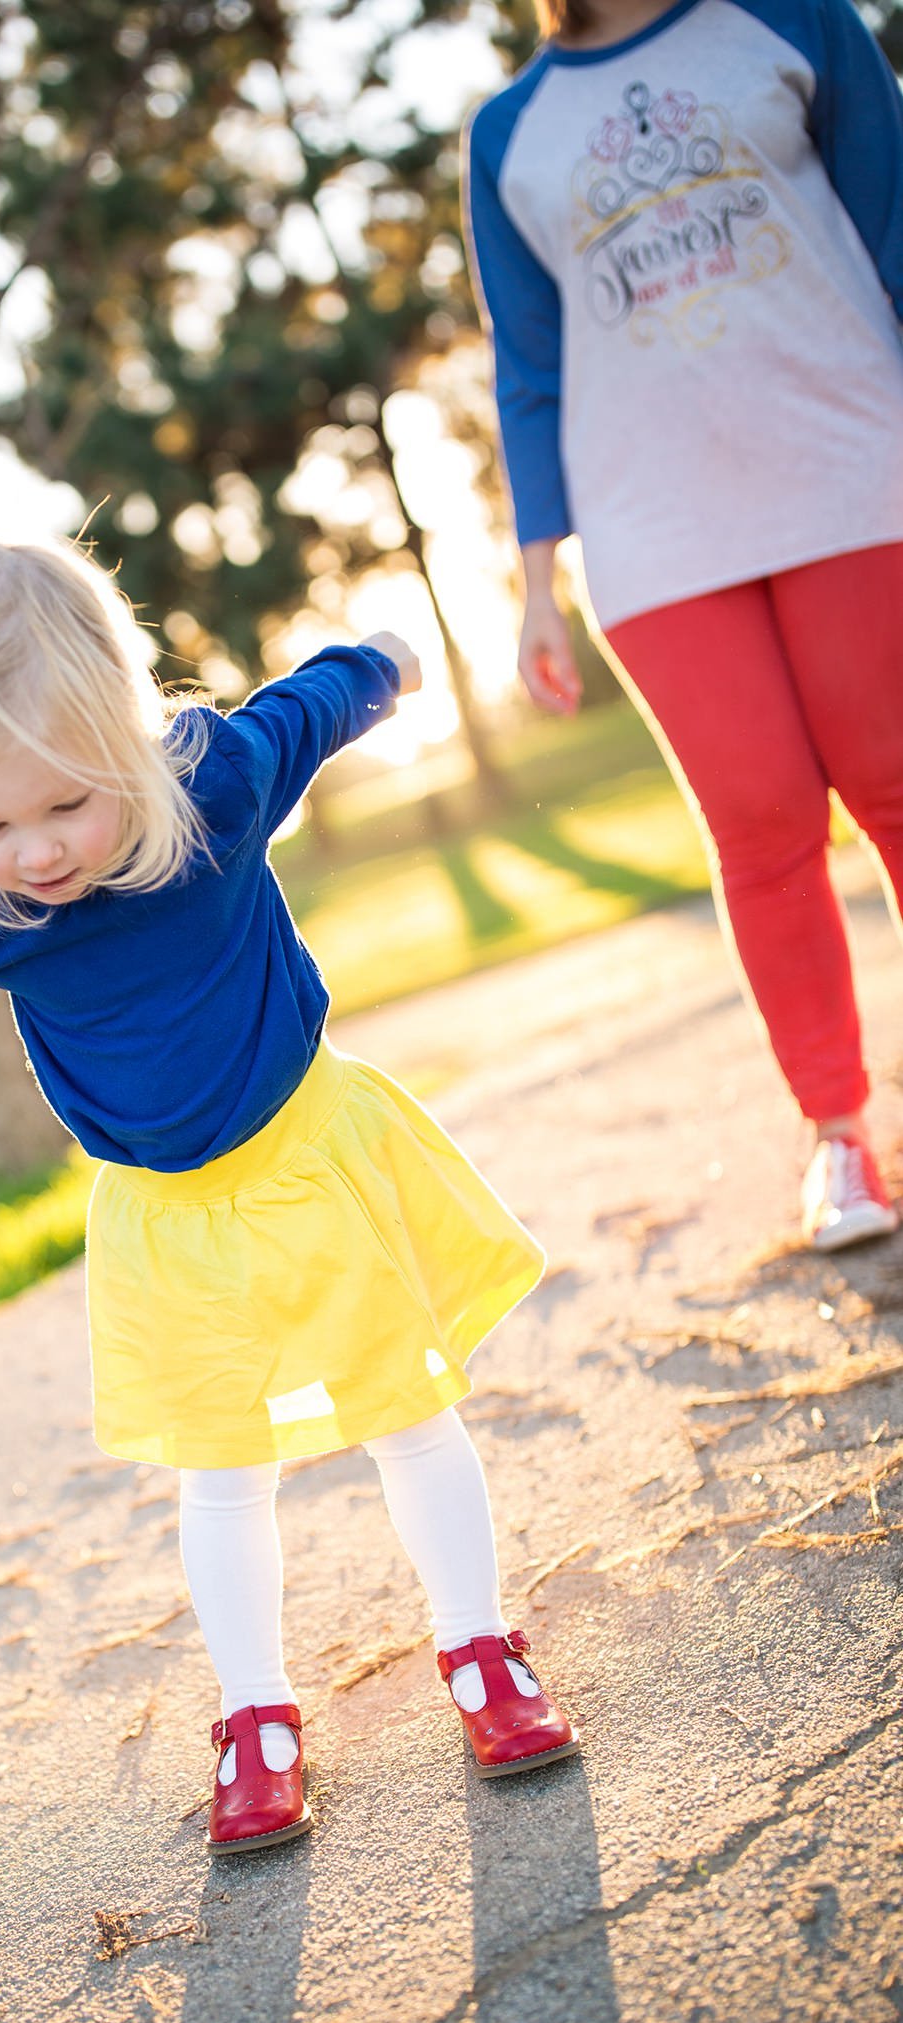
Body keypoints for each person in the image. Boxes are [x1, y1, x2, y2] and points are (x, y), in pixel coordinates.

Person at [0, 539, 578, 1856]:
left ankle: (481, 1647)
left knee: (406, 1412)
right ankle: (256, 1718)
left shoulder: (215, 785)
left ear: (124, 737)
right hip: (168, 1226)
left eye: (66, 804)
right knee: (223, 1471)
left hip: (310, 1161)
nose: (37, 851)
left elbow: (313, 703)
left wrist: (387, 663)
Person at [464, 0, 903, 1250]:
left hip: (854, 469)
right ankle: (839, 1139)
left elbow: (896, 215)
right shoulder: (510, 132)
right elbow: (529, 364)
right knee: (763, 823)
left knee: (895, 783)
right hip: (654, 535)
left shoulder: (789, 20)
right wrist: (537, 584)